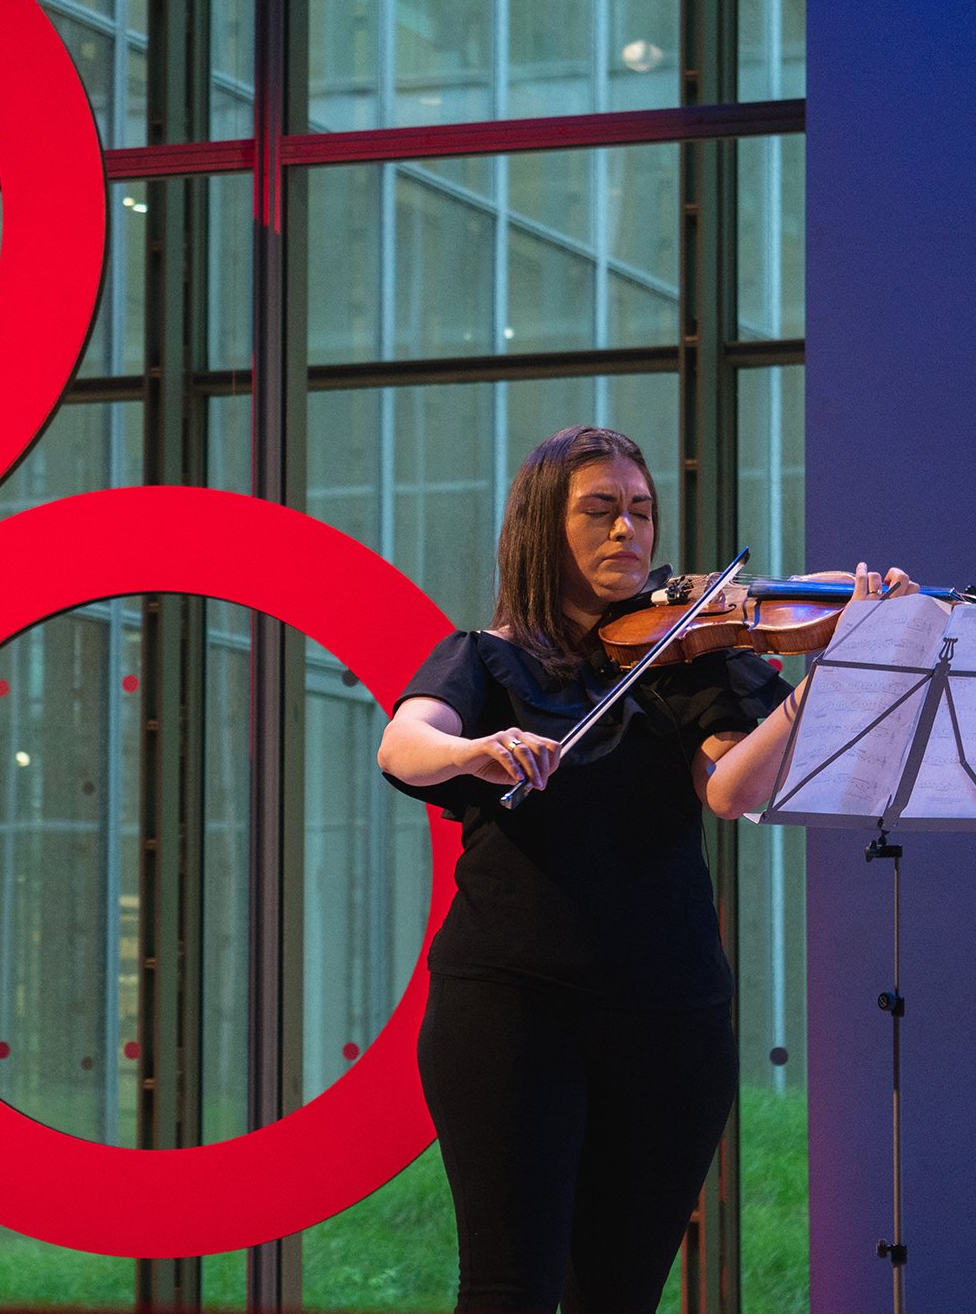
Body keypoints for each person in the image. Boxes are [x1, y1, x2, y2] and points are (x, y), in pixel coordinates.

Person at [376, 425, 916, 1314]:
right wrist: (474, 750)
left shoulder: (691, 657)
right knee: (509, 1289)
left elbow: (733, 792)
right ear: (543, 527)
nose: (627, 530)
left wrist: (833, 670)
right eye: (599, 511)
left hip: (672, 1017)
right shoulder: (485, 658)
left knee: (620, 1295)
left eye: (640, 510)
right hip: (513, 1007)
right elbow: (407, 742)